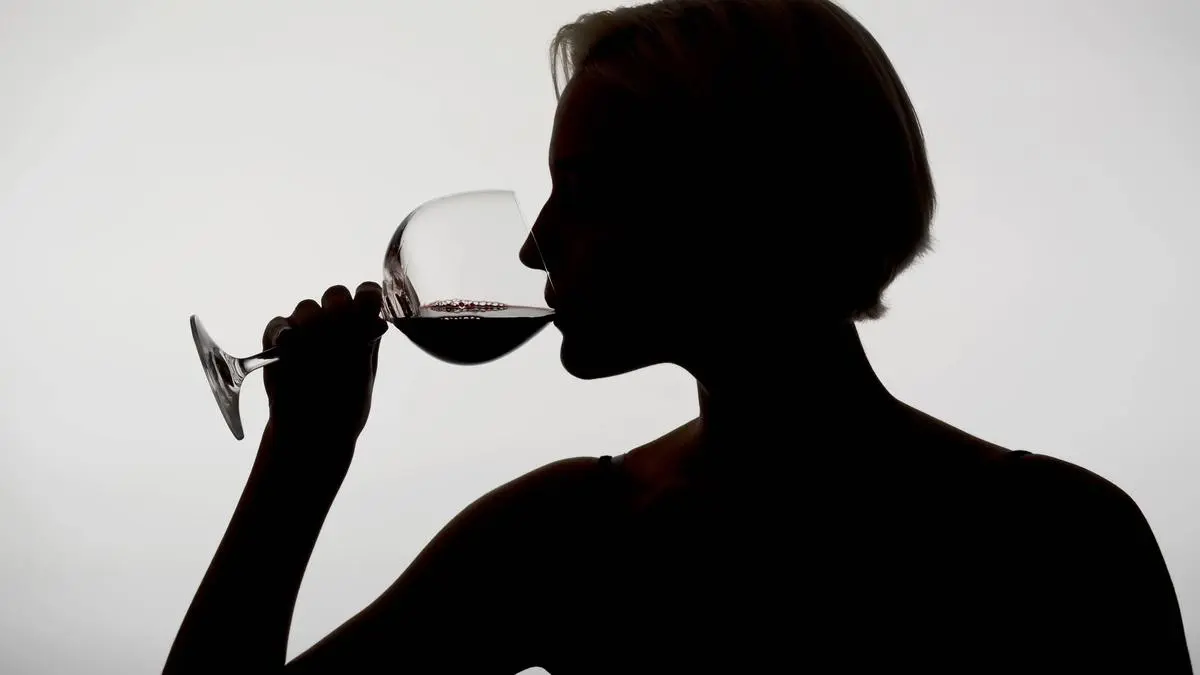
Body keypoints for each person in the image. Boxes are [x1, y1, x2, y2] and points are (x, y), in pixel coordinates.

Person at [163, 1, 1192, 672]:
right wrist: (300, 460)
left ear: (740, 204)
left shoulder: (1057, 545)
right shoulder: (1059, 537)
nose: (533, 245)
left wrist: (295, 473)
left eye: (584, 191)